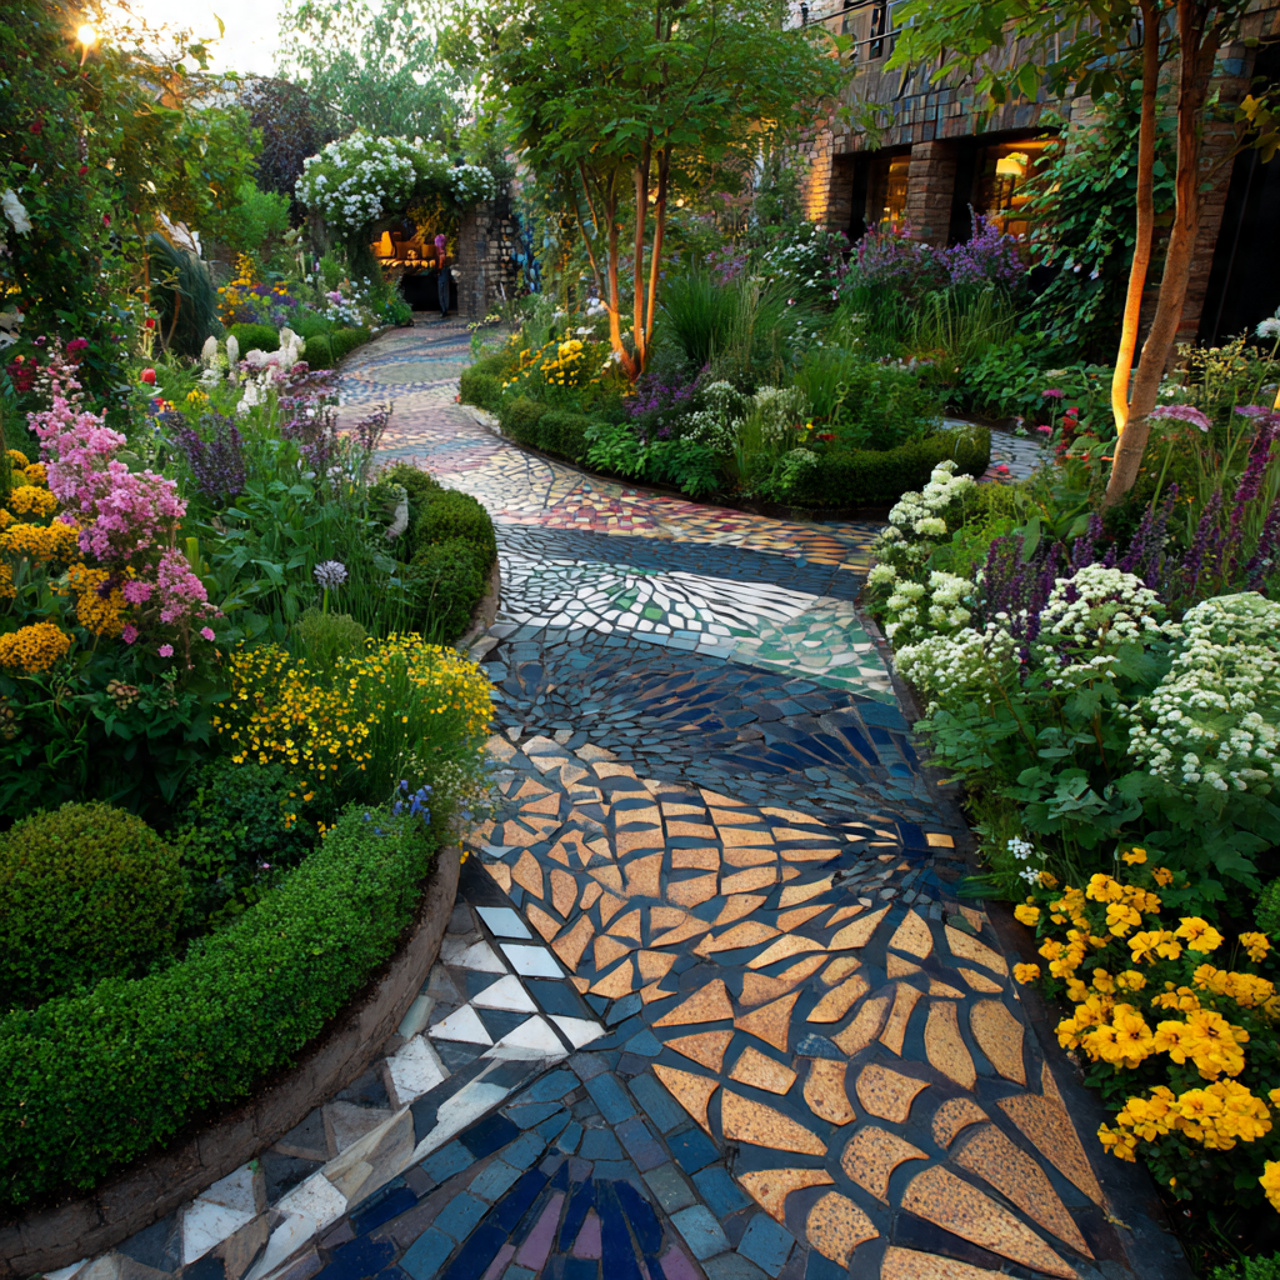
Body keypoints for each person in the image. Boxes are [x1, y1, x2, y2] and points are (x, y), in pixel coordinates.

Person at [435, 234, 451, 320]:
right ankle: (445, 309)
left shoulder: (441, 252)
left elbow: (441, 262)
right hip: (445, 272)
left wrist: (438, 271)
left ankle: (444, 309)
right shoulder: (444, 250)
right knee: (445, 290)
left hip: (442, 272)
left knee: (442, 290)